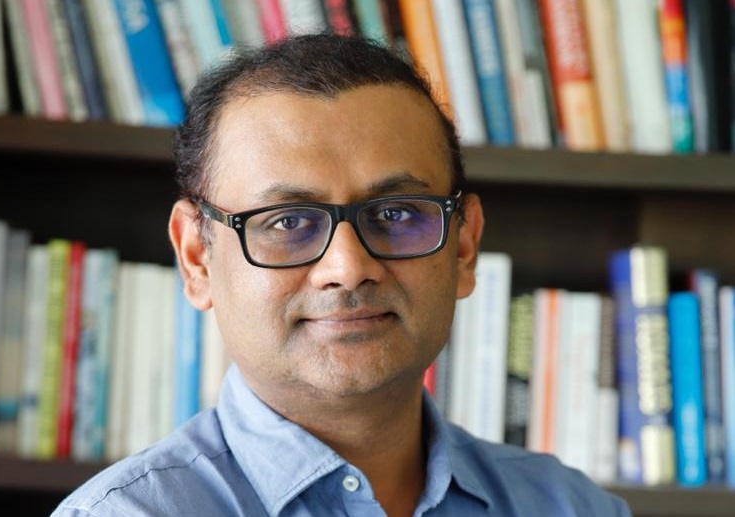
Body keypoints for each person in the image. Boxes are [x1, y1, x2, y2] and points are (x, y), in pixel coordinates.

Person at [52, 33, 631, 516]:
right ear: (196, 258)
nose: (348, 268)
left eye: (396, 214)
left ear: (463, 247)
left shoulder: (574, 508)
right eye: (287, 221)